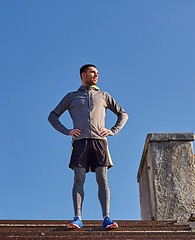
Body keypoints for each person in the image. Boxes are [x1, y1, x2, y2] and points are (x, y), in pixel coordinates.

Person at [48, 64, 128, 229]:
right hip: (79, 142)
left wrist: (112, 131)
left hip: (100, 142)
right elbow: (52, 116)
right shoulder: (72, 96)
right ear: (83, 75)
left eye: (97, 73)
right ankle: (77, 217)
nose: (96, 75)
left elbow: (123, 114)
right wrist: (67, 131)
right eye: (93, 72)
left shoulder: (104, 95)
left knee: (102, 178)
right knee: (79, 179)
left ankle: (107, 218)